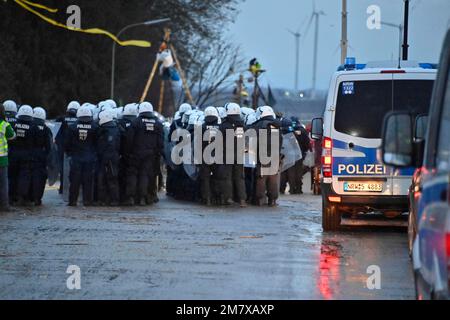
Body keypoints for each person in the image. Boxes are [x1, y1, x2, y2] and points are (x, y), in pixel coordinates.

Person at [125, 102, 164, 206]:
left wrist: (128, 152)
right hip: (150, 155)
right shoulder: (158, 123)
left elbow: (129, 139)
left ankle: (131, 197)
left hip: (136, 153)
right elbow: (160, 142)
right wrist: (157, 153)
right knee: (144, 175)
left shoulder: (136, 122)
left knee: (132, 174)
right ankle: (143, 197)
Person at [65, 105, 98, 206]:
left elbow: (67, 143)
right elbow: (98, 143)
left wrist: (69, 153)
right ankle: (87, 201)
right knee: (88, 181)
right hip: (90, 158)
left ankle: (72, 201)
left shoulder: (72, 127)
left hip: (76, 158)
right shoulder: (95, 127)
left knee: (75, 180)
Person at [217, 102, 247, 207]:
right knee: (240, 177)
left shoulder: (224, 126)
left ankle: (228, 198)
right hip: (239, 154)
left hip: (227, 154)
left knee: (227, 177)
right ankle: (242, 200)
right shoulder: (242, 125)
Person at [253, 106, 283, 207]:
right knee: (273, 179)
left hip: (262, 155)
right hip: (275, 155)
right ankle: (273, 200)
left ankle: (260, 200)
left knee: (261, 178)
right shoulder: (277, 125)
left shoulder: (258, 125)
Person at [9, 105, 37, 206]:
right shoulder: (34, 126)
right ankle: (22, 198)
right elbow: (36, 142)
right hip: (27, 156)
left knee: (12, 176)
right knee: (24, 177)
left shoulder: (14, 124)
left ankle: (11, 197)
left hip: (13, 154)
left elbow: (10, 139)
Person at [96, 109, 121, 206]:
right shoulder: (116, 128)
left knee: (102, 179)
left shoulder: (102, 130)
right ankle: (114, 200)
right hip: (113, 157)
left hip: (104, 157)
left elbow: (100, 145)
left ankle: (102, 200)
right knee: (113, 179)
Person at [55, 101, 80, 194]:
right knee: (75, 168)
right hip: (75, 148)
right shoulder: (79, 120)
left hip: (62, 147)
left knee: (62, 169)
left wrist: (59, 144)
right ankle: (73, 189)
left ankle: (62, 188)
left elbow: (55, 134)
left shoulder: (60, 119)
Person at [31, 107, 52, 206]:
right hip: (41, 156)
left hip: (30, 155)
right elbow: (49, 146)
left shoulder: (30, 126)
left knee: (27, 175)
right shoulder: (46, 129)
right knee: (40, 178)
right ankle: (37, 198)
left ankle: (27, 197)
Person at [199, 107, 220, 205]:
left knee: (205, 178)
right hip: (218, 156)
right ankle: (216, 198)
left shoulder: (201, 127)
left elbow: (197, 144)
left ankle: (206, 198)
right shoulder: (221, 127)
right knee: (216, 177)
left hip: (204, 156)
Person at [117, 103, 138, 203]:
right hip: (135, 153)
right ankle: (131, 197)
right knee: (133, 175)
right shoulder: (137, 122)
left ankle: (122, 196)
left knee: (121, 175)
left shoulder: (120, 122)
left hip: (121, 153)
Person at [0, 103, 16, 211]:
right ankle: (4, 206)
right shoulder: (4, 124)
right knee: (3, 184)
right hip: (2, 159)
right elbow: (12, 136)